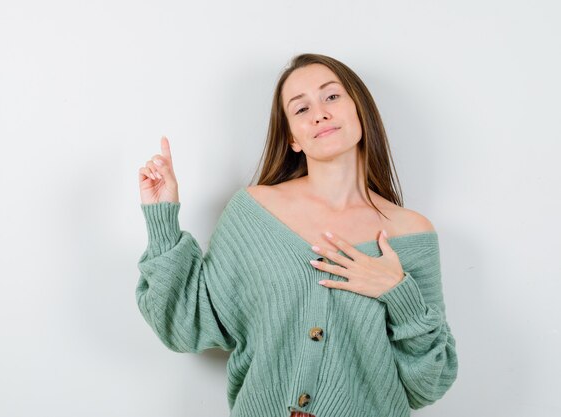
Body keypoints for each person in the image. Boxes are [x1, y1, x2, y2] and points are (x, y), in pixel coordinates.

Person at [136, 53, 458, 417]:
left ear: (360, 112)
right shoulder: (254, 212)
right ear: (292, 138)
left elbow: (429, 384)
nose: (319, 113)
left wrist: (398, 293)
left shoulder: (411, 232)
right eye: (301, 109)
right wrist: (162, 215)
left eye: (332, 97)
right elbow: (185, 325)